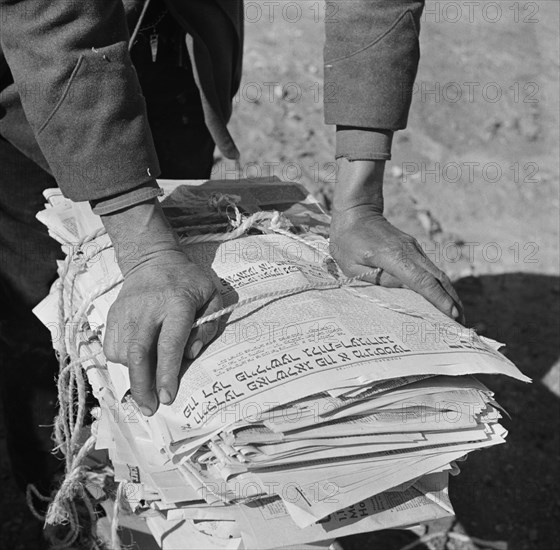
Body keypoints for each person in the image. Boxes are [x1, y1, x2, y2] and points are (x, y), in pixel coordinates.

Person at [0, 0, 463, 500]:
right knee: (44, 305)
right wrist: (146, 248)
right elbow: (50, 20)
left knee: (176, 307)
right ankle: (54, 475)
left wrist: (359, 204)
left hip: (174, 36)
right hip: (30, 59)